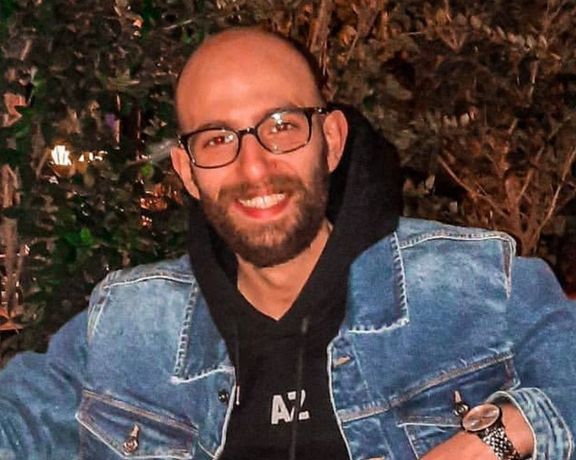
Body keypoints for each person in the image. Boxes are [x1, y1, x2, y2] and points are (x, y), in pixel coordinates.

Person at [1, 27, 575, 460]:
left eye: (281, 126)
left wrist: (493, 438)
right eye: (217, 138)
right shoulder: (127, 326)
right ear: (186, 171)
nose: (254, 168)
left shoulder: (474, 283)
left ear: (331, 140)